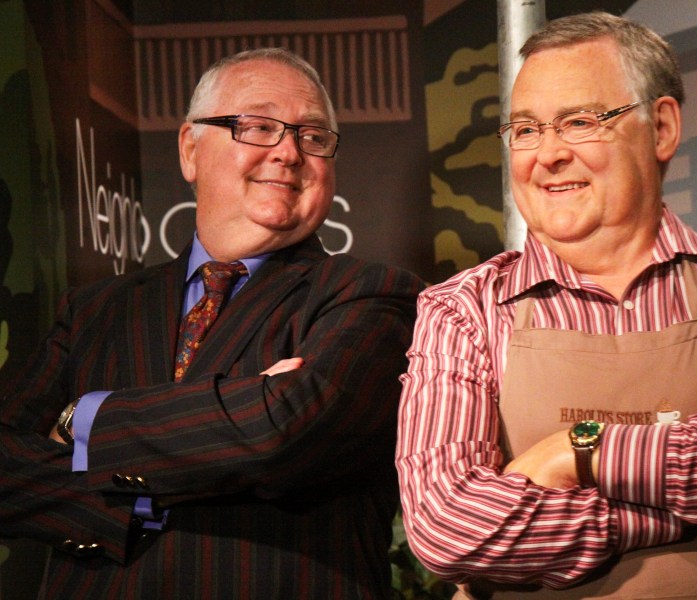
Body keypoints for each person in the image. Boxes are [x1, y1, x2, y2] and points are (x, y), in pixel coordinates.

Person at [396, 11, 697, 599]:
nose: (547, 155)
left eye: (579, 122)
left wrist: (578, 452)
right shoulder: (464, 311)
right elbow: (448, 528)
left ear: (662, 127)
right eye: (526, 129)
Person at [0, 48, 424, 599]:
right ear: (189, 149)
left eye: (313, 136)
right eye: (259, 127)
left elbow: (283, 431)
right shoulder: (94, 310)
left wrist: (86, 418)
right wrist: (129, 505)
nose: (290, 152)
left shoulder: (373, 293)